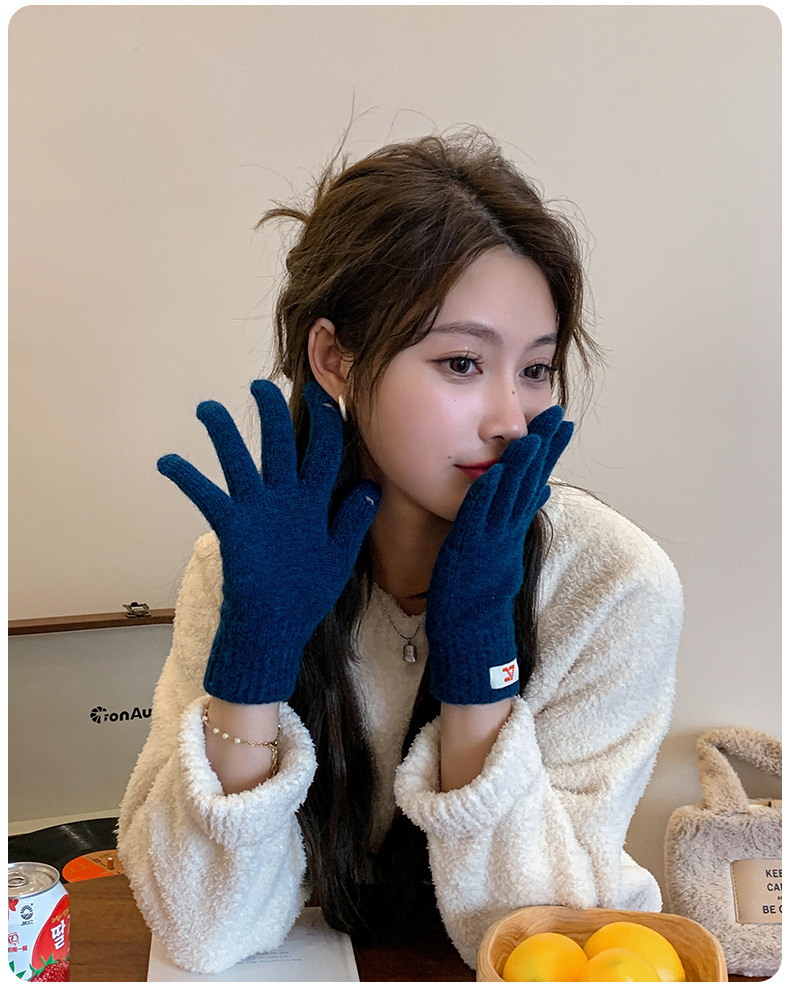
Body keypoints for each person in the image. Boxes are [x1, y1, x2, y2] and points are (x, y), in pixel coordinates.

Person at [117, 129, 683, 974]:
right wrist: (254, 666)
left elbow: (547, 946)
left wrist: (480, 657)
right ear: (336, 359)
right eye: (461, 362)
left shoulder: (612, 584)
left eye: (536, 369)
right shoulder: (245, 566)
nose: (512, 419)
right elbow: (204, 929)